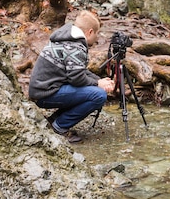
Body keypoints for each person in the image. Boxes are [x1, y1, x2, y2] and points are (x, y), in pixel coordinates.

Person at [28, 10, 115, 143]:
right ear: (90, 32)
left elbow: (79, 71)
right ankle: (59, 126)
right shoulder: (75, 46)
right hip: (44, 93)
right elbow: (77, 78)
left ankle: (54, 120)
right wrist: (99, 85)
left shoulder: (68, 38)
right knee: (98, 95)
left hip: (42, 89)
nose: (97, 38)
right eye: (96, 34)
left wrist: (99, 80)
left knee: (93, 89)